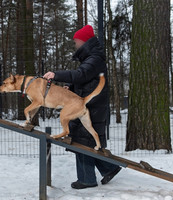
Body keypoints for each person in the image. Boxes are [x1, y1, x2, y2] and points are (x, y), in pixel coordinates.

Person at [43, 25, 121, 189]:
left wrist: (56, 74)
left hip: (92, 106)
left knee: (82, 141)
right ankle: (109, 168)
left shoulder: (94, 59)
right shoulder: (91, 58)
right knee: (87, 141)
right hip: (89, 104)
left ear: (85, 41)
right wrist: (71, 88)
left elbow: (81, 75)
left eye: (77, 41)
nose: (76, 44)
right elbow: (84, 80)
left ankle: (87, 179)